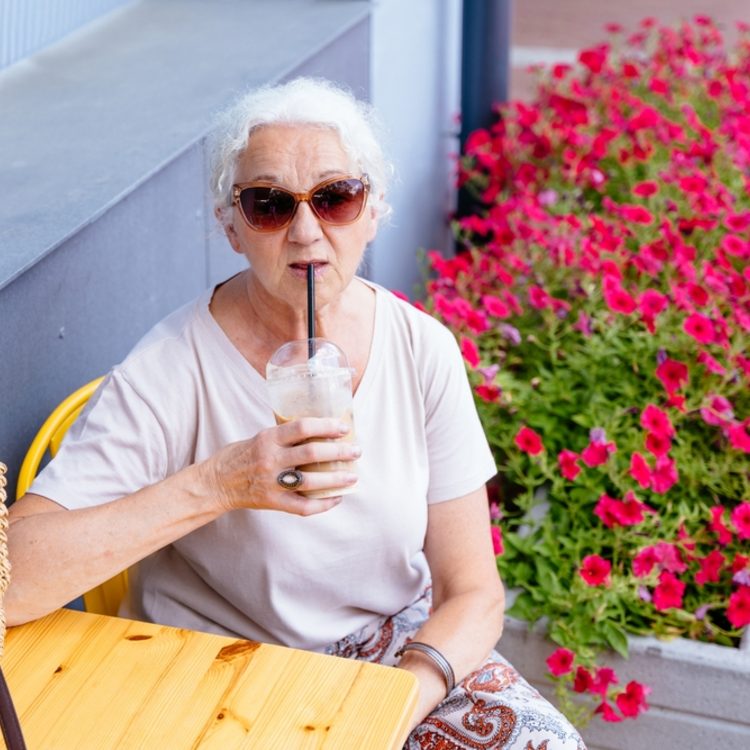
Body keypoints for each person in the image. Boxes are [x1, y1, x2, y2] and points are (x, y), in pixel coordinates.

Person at [7, 78, 585, 750]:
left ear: (373, 211)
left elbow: (474, 592)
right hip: (216, 663)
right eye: (271, 205)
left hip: (390, 652)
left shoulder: (420, 347)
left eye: (336, 198)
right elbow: (10, 581)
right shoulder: (172, 366)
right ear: (231, 226)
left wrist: (402, 698)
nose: (307, 232)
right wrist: (221, 482)